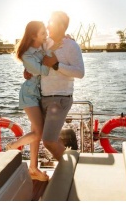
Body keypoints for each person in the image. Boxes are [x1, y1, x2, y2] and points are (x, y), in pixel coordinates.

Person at [8, 20, 51, 181]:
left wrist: (67, 37)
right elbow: (43, 71)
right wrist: (51, 62)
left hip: (40, 94)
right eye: (42, 33)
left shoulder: (42, 46)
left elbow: (55, 42)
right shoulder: (27, 55)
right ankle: (12, 146)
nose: (46, 35)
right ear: (33, 35)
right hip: (29, 95)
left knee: (36, 132)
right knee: (39, 132)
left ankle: (33, 168)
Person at [40, 11, 85, 160]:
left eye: (50, 22)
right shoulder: (45, 44)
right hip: (43, 97)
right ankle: (65, 166)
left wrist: (56, 65)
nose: (47, 26)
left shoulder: (71, 45)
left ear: (60, 25)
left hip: (59, 99)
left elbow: (80, 72)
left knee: (48, 141)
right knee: (50, 138)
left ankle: (70, 172)